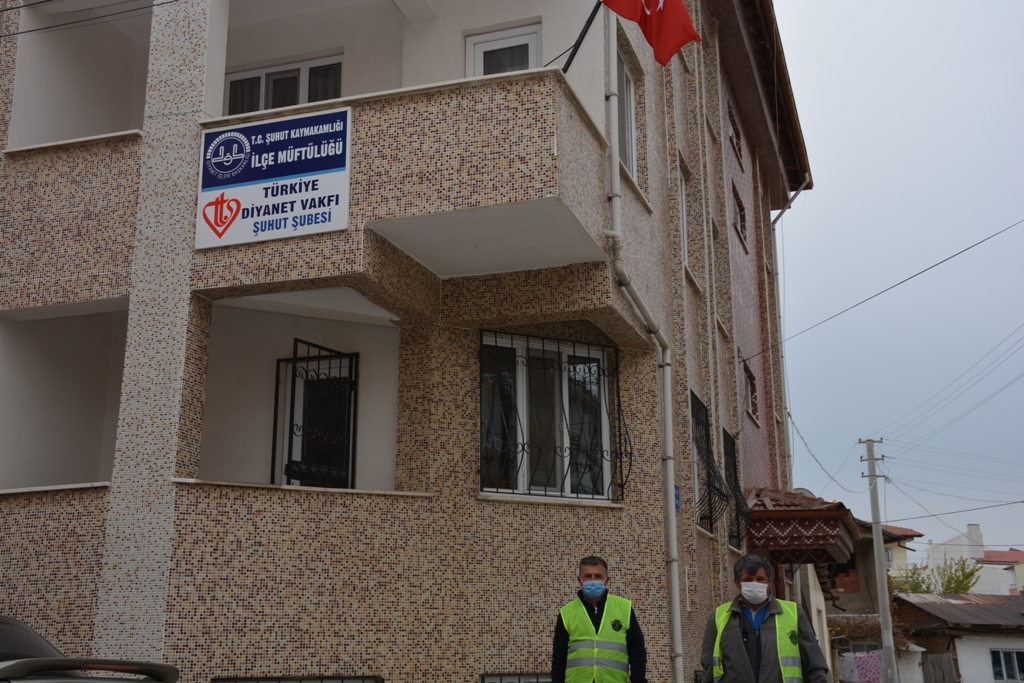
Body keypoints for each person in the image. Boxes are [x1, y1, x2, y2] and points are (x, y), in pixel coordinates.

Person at [700, 554, 829, 683]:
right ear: (737, 582)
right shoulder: (718, 617)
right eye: (748, 580)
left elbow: (815, 666)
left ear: (770, 582)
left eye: (760, 579)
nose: (754, 584)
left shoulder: (794, 613)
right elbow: (709, 668)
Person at [552, 556, 647, 683]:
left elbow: (637, 652)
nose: (593, 580)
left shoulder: (624, 608)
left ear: (606, 580)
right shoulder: (566, 612)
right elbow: (559, 658)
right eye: (587, 576)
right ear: (579, 580)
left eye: (598, 576)